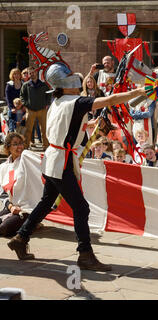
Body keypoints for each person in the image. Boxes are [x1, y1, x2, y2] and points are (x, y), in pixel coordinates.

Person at [7, 62, 148, 271]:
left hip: (53, 159)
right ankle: (85, 254)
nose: (74, 76)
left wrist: (89, 125)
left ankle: (21, 237)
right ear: (64, 82)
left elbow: (65, 125)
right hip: (61, 162)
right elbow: (109, 100)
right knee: (81, 208)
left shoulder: (57, 101)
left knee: (47, 202)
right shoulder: (77, 101)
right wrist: (140, 91)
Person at [0, 133, 30, 237]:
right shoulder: (3, 167)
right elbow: (2, 193)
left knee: (3, 228)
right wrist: (10, 206)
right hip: (11, 206)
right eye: (15, 144)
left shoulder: (28, 163)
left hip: (26, 208)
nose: (20, 147)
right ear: (8, 147)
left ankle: (33, 223)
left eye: (21, 143)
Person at [20, 67, 51, 150]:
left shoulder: (44, 85)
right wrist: (26, 104)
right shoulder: (26, 85)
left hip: (42, 110)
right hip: (30, 110)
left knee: (44, 129)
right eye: (30, 73)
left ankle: (46, 146)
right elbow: (22, 96)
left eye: (33, 72)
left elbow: (49, 94)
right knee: (28, 130)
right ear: (28, 75)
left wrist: (47, 103)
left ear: (36, 73)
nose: (32, 74)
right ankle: (26, 146)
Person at [5, 68, 23, 133]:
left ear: (20, 75)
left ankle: (21, 141)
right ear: (12, 75)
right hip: (12, 108)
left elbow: (25, 96)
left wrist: (23, 106)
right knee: (12, 125)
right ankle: (11, 140)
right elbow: (8, 98)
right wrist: (11, 108)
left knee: (21, 125)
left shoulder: (23, 84)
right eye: (14, 74)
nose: (16, 75)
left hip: (21, 108)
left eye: (18, 73)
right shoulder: (9, 85)